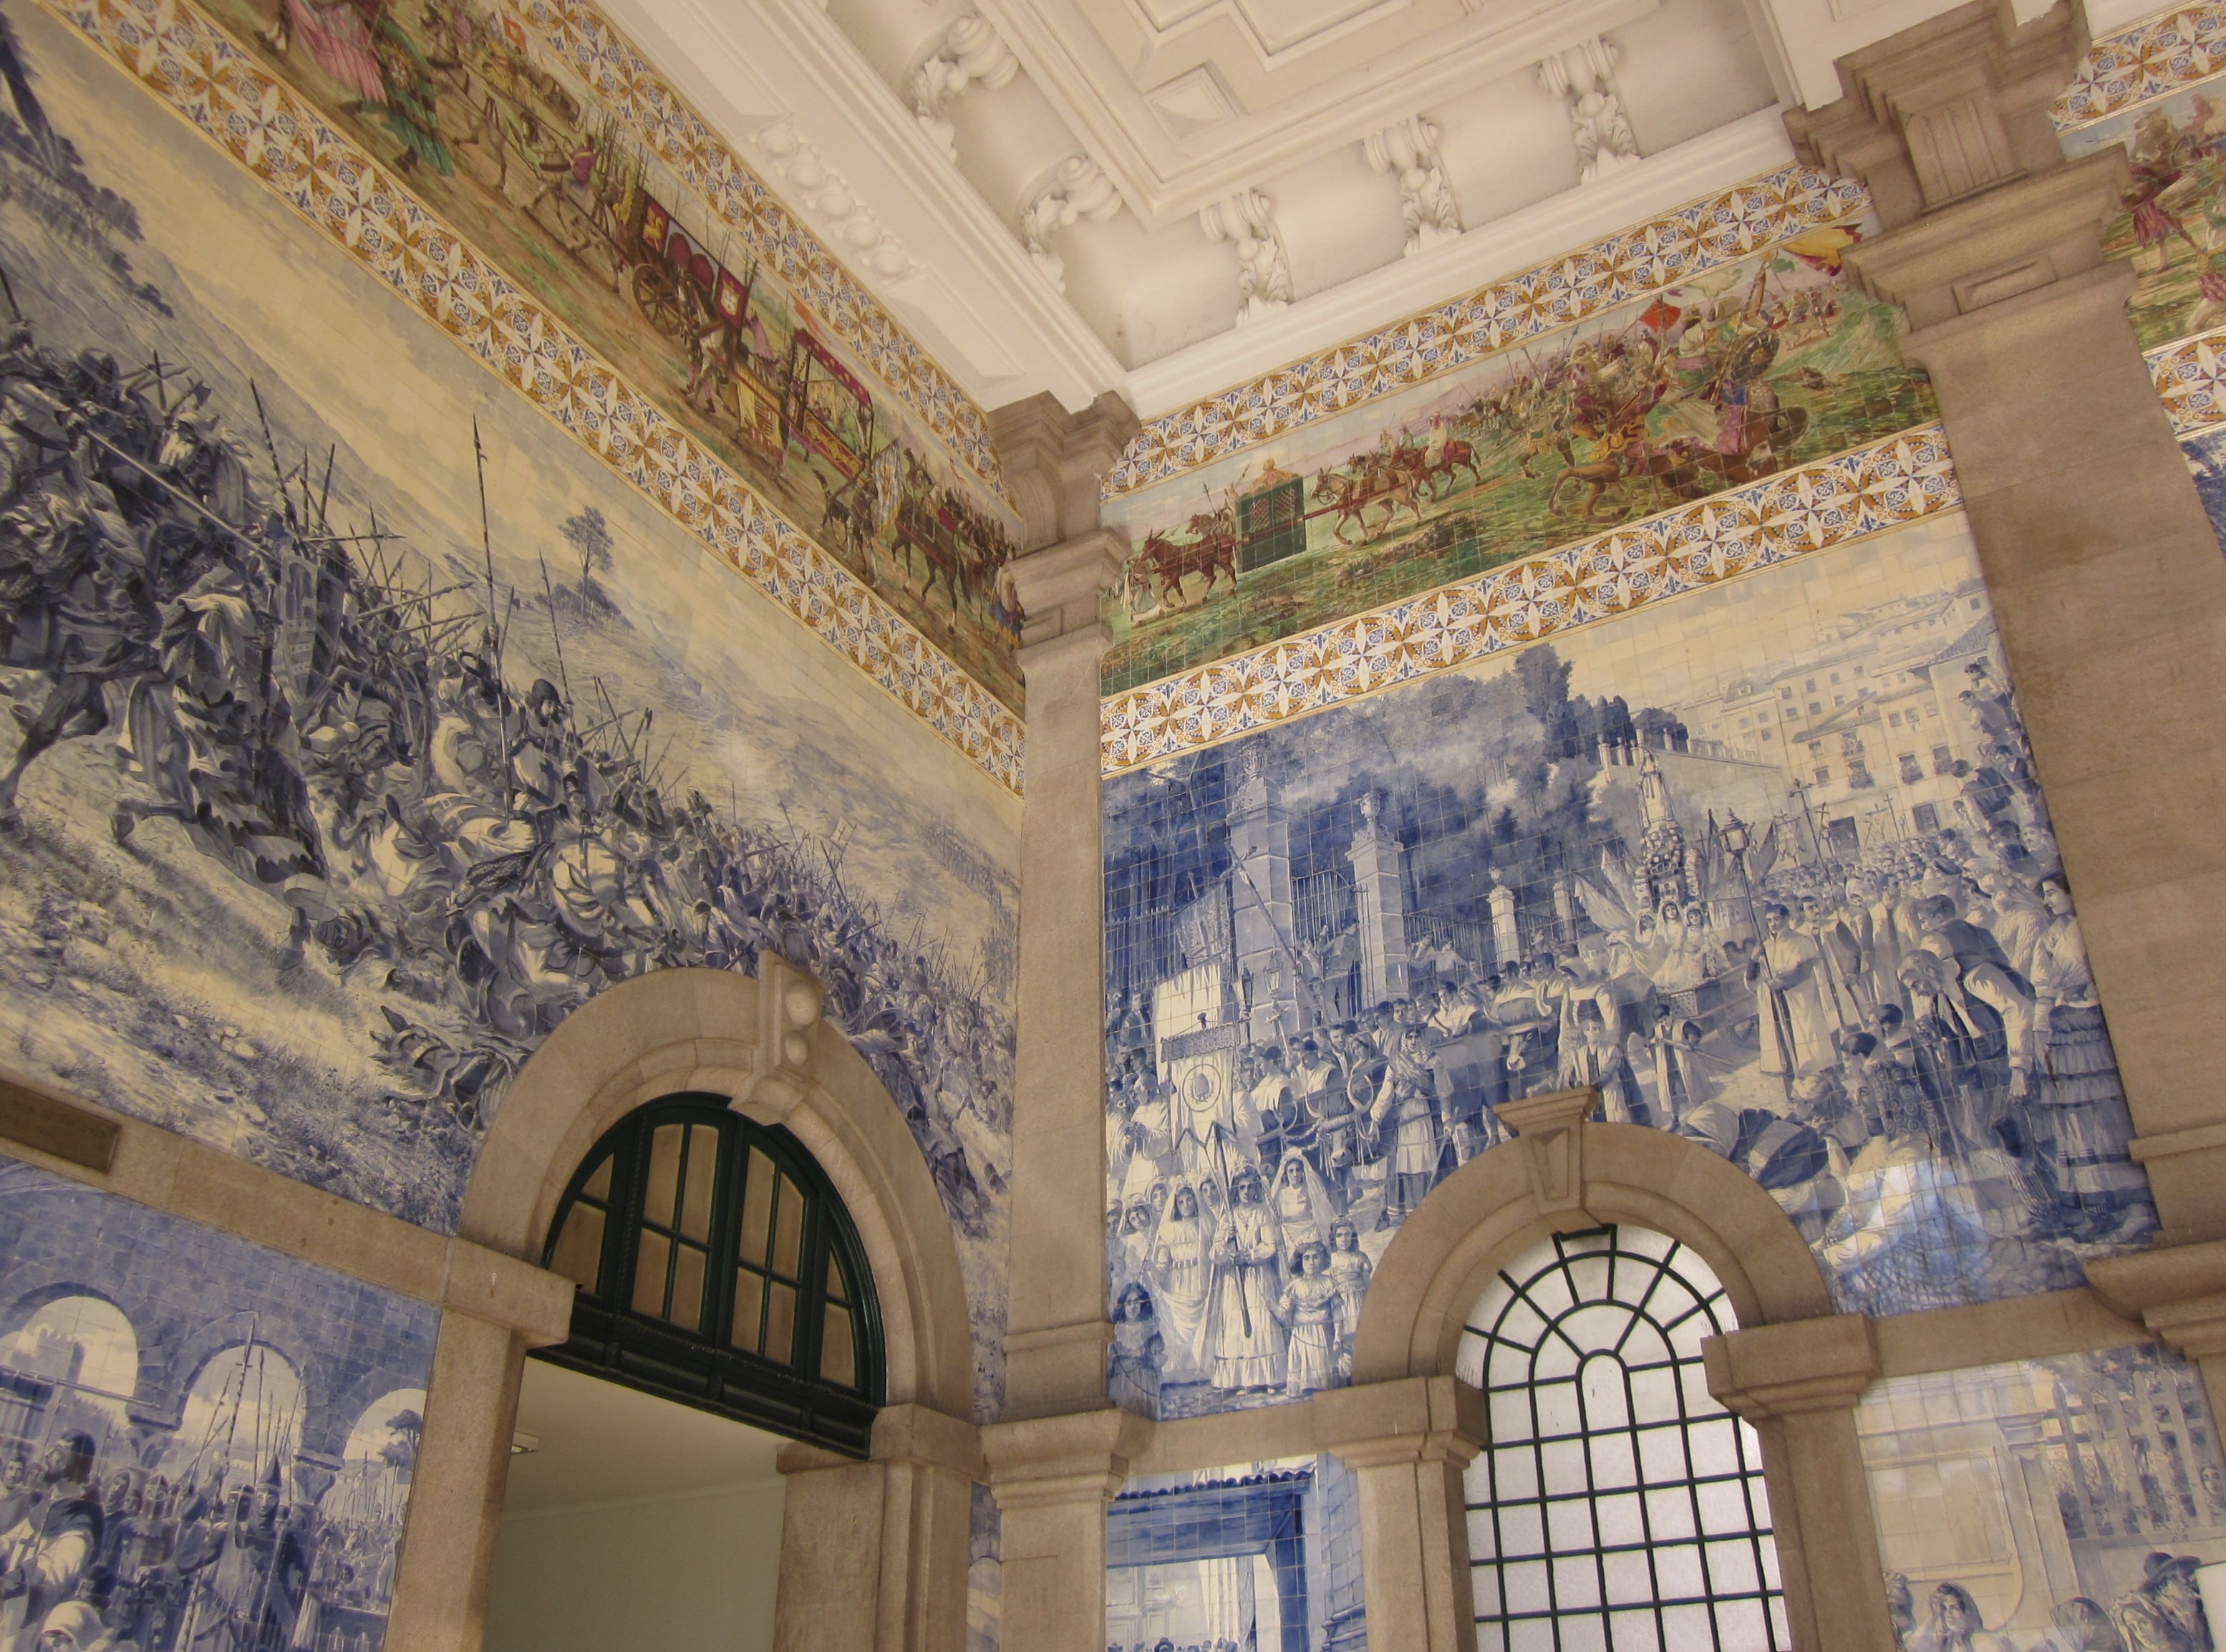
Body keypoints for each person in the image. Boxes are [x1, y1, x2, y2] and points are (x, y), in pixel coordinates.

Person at [1205, 1167, 1285, 1393]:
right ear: (1236, 1190)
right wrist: (1228, 1248)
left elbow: (1271, 1245)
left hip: (1258, 1276)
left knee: (1261, 1322)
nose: (1246, 1192)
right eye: (1242, 1188)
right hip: (1235, 1280)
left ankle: (1269, 1378)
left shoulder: (1262, 1213)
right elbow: (1214, 1252)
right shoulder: (1228, 1215)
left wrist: (1249, 1255)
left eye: (1250, 1187)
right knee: (1237, 1327)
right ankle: (1244, 1381)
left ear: (1256, 1189)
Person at [1150, 1182, 1213, 1386]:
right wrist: (1156, 1268)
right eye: (1181, 1202)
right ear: (1176, 1205)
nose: (1186, 1205)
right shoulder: (1169, 1230)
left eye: (1189, 1200)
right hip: (1179, 1282)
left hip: (1200, 1278)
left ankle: (1202, 1366)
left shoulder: (1206, 1224)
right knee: (1181, 1328)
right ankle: (1182, 1368)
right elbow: (1163, 1259)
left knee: (1202, 1324)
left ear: (1196, 1201)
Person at [1274, 1241, 1341, 1399]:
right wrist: (1272, 1307)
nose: (1311, 1263)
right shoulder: (1294, 1286)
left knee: (1325, 1384)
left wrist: (1338, 1336)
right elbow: (1283, 1315)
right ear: (1300, 1261)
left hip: (1324, 1335)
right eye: (1307, 1258)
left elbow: (1338, 1311)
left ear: (1322, 1259)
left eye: (1315, 1257)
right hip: (1302, 1337)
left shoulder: (1329, 1283)